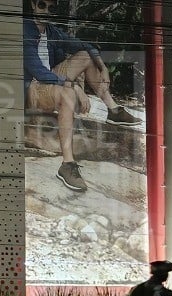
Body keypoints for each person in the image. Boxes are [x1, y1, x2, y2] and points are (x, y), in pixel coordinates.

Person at [24, 0, 140, 193]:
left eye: (51, 8)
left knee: (85, 56)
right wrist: (75, 87)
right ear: (33, 5)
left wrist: (102, 65)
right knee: (68, 93)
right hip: (31, 87)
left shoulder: (51, 32)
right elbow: (37, 71)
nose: (45, 11)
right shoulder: (25, 30)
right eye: (42, 5)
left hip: (49, 81)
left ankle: (113, 110)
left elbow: (83, 45)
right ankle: (67, 164)